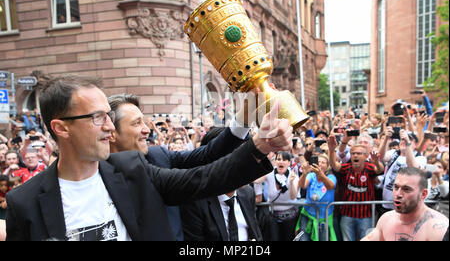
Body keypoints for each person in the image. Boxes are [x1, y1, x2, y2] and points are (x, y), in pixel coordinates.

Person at [5, 75, 292, 241]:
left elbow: (204, 177)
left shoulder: (134, 171)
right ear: (60, 128)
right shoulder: (25, 202)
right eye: (97, 117)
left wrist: (260, 145)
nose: (108, 125)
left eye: (109, 115)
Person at [107, 93, 254, 241]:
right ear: (111, 132)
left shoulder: (159, 156)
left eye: (144, 123)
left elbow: (208, 154)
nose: (146, 130)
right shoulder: (95, 178)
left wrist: (247, 116)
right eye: (136, 123)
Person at [180, 127, 263, 241]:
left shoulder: (247, 194)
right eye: (240, 157)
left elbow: (256, 234)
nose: (248, 166)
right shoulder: (194, 202)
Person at [362, 167, 449, 241]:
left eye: (406, 189)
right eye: (396, 187)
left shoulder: (438, 227)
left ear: (423, 194)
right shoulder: (387, 219)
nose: (398, 194)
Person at [328, 138, 383, 241]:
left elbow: (379, 169)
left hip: (366, 215)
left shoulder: (369, 168)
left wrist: (376, 162)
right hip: (347, 215)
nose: (355, 156)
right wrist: (331, 150)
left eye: (359, 153)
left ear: (366, 156)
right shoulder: (346, 168)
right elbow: (334, 166)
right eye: (353, 153)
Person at [378, 127, 427, 216]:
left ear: (415, 144)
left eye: (408, 139)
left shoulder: (420, 158)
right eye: (402, 139)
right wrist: (386, 138)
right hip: (386, 205)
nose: (403, 141)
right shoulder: (394, 153)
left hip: (406, 207)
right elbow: (381, 157)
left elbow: (413, 167)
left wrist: (407, 143)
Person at [291, 154, 337, 241]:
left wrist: (321, 175)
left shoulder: (331, 177)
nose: (320, 164)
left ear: (327, 166)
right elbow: (302, 185)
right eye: (318, 161)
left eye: (323, 162)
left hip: (324, 218)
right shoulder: (311, 175)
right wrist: (304, 174)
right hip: (307, 216)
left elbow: (330, 186)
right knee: (302, 238)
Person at [255, 151, 299, 241]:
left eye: (284, 160)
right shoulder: (270, 173)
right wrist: (258, 195)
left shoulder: (292, 175)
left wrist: (290, 182)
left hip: (290, 217)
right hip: (273, 217)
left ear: (289, 163)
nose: (281, 162)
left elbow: (293, 196)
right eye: (278, 159)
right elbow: (256, 181)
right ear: (275, 162)